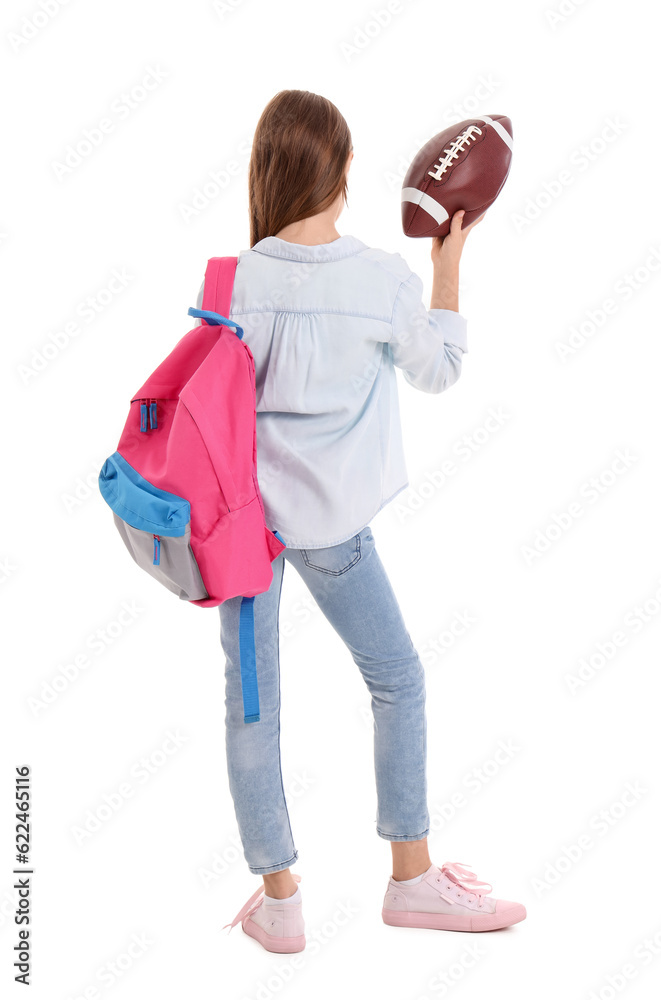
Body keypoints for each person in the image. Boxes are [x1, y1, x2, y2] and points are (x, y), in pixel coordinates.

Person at [194, 90, 526, 953]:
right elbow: (441, 368)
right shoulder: (380, 277)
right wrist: (449, 262)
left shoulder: (233, 281)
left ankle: (279, 903)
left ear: (266, 174)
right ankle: (411, 879)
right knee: (398, 681)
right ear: (341, 175)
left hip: (244, 536)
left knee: (251, 710)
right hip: (335, 535)